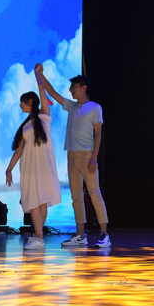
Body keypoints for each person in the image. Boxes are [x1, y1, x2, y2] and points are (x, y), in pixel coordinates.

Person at [38, 66, 110, 248]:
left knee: (94, 193)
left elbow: (98, 134)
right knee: (76, 196)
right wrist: (40, 74)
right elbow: (52, 92)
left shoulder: (95, 108)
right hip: (71, 155)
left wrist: (94, 157)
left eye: (74, 87)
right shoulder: (71, 106)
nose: (71, 90)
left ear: (84, 87)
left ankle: (104, 234)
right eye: (71, 87)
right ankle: (80, 235)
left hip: (87, 155)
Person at [5, 64, 62, 250]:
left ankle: (39, 238)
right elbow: (19, 150)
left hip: (43, 165)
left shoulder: (44, 116)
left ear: (30, 101)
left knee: (41, 201)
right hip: (29, 166)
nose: (20, 105)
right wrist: (9, 169)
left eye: (22, 102)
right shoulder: (26, 125)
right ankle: (39, 237)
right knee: (35, 202)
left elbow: (41, 88)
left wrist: (38, 74)